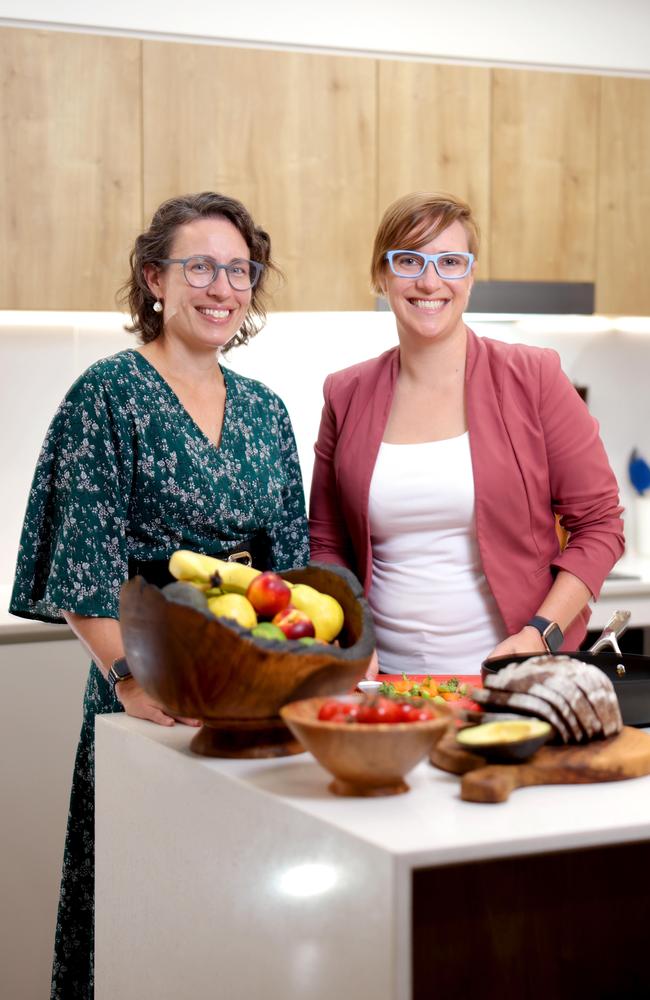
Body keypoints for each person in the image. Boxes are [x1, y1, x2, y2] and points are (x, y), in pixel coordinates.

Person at [10, 191, 309, 999]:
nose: (222, 287)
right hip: (149, 690)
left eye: (240, 270)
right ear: (154, 278)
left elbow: (293, 574)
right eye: (201, 266)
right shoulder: (105, 395)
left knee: (241, 908)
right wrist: (132, 684)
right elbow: (82, 570)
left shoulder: (267, 412)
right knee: (143, 901)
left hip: (249, 698)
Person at [309, 191, 624, 676]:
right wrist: (349, 634)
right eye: (409, 260)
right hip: (380, 683)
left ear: (470, 276)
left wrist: (540, 634)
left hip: (513, 678)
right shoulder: (345, 393)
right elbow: (327, 542)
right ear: (381, 274)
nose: (430, 281)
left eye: (450, 262)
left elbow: (600, 524)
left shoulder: (533, 377)